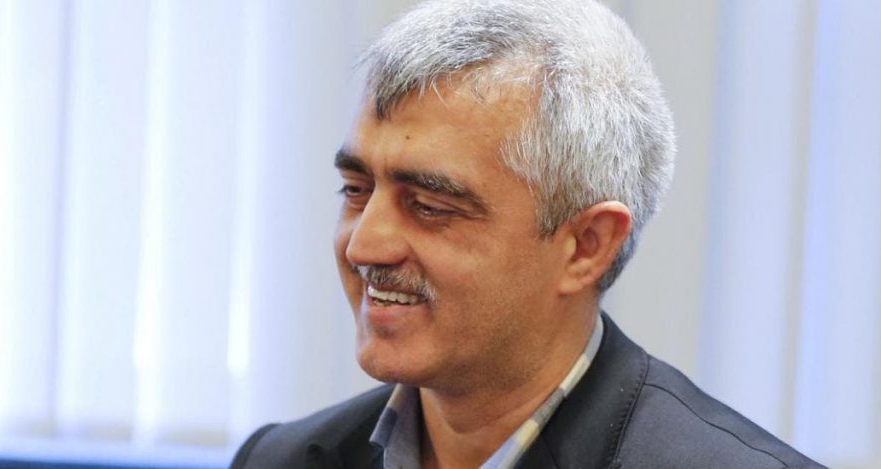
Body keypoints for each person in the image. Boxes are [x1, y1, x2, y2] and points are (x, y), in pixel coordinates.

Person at [231, 0, 823, 467]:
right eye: (356, 190)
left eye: (430, 206)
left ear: (586, 246)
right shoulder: (280, 459)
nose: (364, 246)